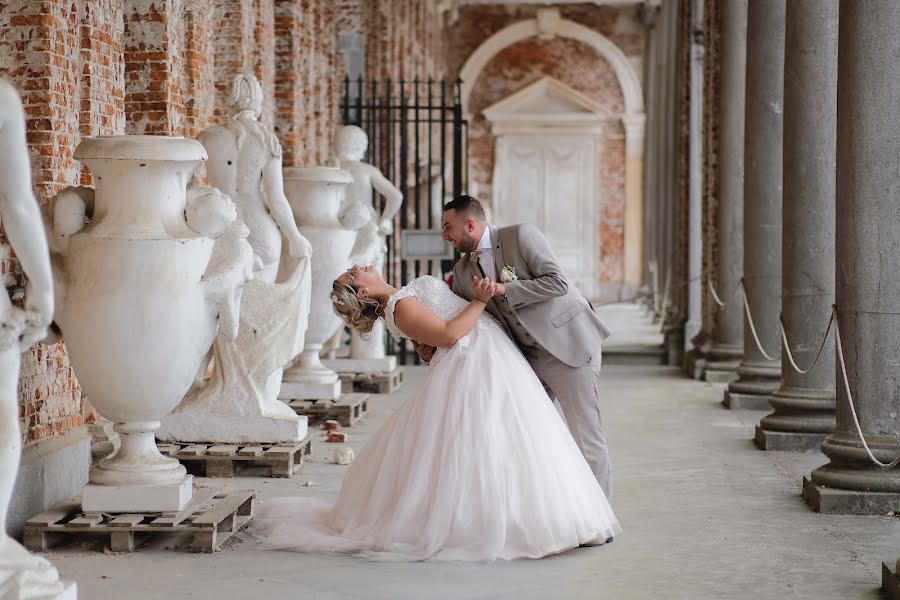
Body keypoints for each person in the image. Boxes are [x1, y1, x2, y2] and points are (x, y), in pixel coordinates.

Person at [249, 265, 620, 561]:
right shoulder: (399, 307)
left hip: (487, 355)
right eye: (353, 273)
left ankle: (532, 518)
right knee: (495, 440)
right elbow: (447, 334)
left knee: (511, 439)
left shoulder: (402, 299)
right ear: (362, 292)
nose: (358, 266)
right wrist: (477, 300)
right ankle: (509, 523)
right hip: (474, 361)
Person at [415, 195, 614, 500]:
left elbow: (557, 282)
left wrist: (505, 288)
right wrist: (428, 343)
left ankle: (600, 517)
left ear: (470, 224)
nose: (445, 236)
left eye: (448, 227)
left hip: (566, 345)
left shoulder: (520, 235)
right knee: (529, 436)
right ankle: (556, 509)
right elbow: (466, 319)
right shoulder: (462, 272)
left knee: (585, 437)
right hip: (524, 359)